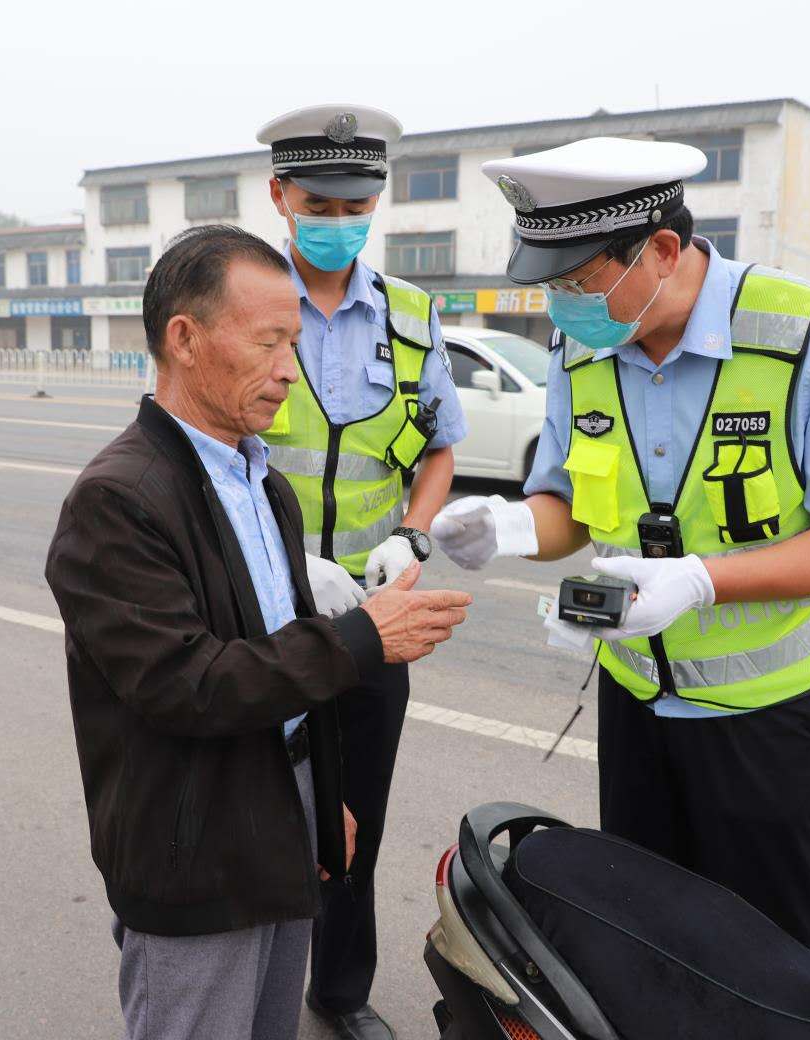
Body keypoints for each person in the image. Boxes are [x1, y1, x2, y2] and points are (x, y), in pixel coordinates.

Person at [432, 137, 810, 954]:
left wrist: (700, 580)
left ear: (661, 251)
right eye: (549, 283)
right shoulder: (582, 346)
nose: (561, 305)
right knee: (643, 940)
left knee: (763, 956)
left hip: (771, 717)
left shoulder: (803, 335)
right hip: (638, 701)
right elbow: (572, 510)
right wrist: (515, 526)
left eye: (578, 282)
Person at [44, 225, 471, 1040]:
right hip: (193, 845)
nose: (288, 369)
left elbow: (285, 676)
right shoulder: (119, 500)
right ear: (185, 338)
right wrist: (364, 639)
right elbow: (189, 685)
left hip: (279, 816)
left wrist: (322, 803)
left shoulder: (261, 481)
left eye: (296, 344)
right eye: (270, 342)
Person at [254, 104, 468, 1040]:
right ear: (280, 198)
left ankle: (338, 991)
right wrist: (282, 551)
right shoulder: (246, 305)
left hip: (379, 613)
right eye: (321, 200)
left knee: (355, 816)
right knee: (255, 805)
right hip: (262, 605)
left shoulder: (413, 315)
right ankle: (245, 979)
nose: (340, 216)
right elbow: (206, 445)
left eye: (358, 202)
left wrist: (413, 537)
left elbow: (440, 451)